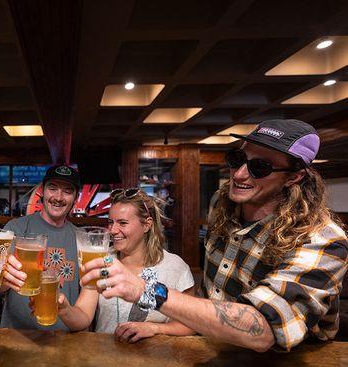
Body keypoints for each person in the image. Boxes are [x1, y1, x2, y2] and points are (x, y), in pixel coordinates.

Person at [81, 119, 348, 352]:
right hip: (216, 352)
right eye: (237, 160)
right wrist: (162, 328)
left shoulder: (321, 239)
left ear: (294, 177)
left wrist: (147, 290)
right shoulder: (223, 201)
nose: (240, 174)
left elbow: (265, 328)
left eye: (261, 167)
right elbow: (211, 298)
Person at [54, 189, 195, 341]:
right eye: (110, 222)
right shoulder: (102, 261)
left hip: (156, 359)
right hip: (106, 358)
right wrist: (65, 310)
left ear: (147, 225)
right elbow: (83, 317)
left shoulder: (175, 267)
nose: (113, 231)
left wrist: (154, 328)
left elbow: (192, 323)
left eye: (122, 223)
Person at [0, 165, 81, 330]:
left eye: (67, 191)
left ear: (75, 198)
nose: (58, 197)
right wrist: (4, 281)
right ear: (42, 191)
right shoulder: (15, 229)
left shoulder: (81, 239)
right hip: (17, 337)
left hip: (67, 343)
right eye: (52, 188)